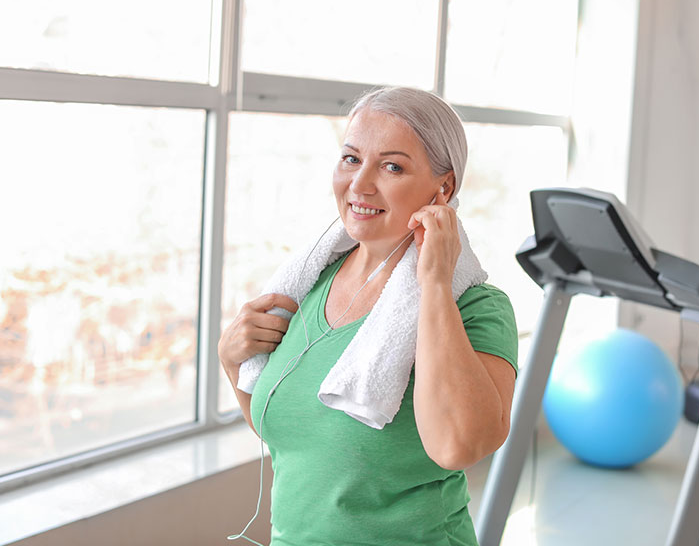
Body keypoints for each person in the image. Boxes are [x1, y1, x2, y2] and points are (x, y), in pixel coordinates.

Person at [218, 86, 518, 545]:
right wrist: (232, 361)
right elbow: (300, 441)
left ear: (445, 188)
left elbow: (459, 446)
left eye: (392, 166)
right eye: (351, 159)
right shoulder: (306, 284)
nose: (360, 184)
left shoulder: (476, 308)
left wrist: (434, 282)